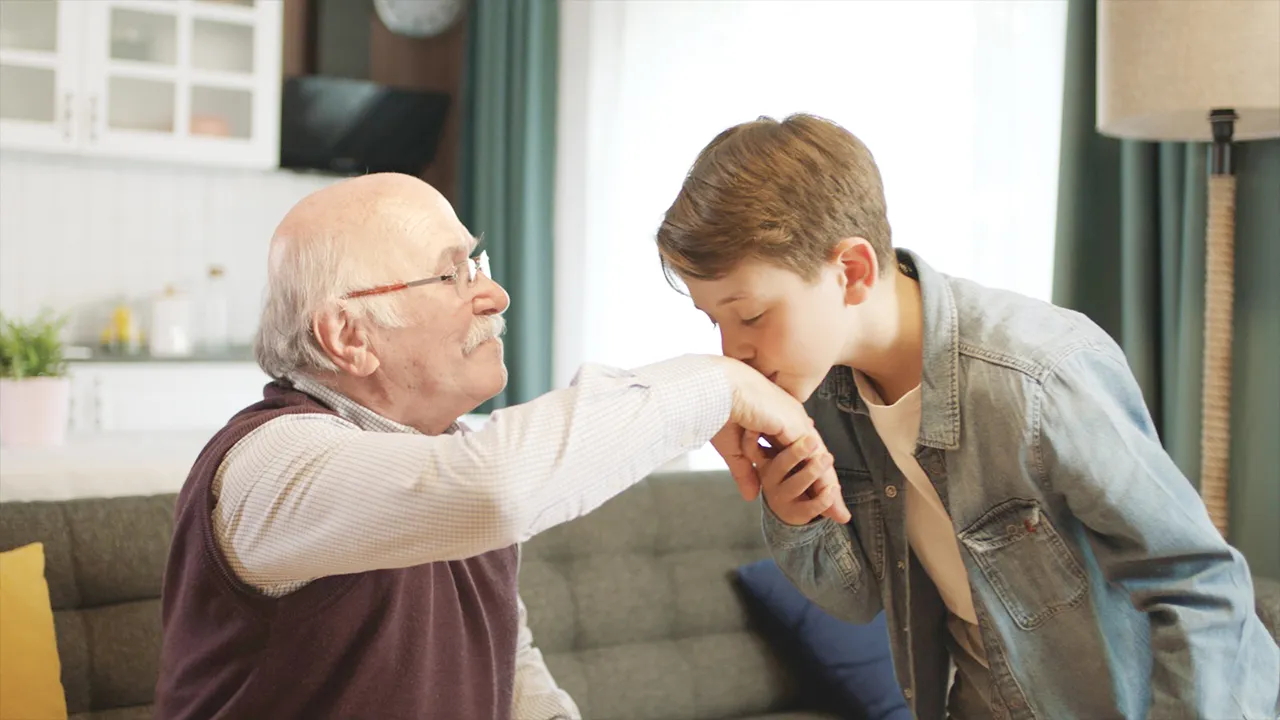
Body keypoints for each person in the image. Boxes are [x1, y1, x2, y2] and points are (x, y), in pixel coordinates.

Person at [153, 172, 850, 720]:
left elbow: (503, 661)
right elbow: (491, 488)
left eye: (478, 261)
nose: (497, 294)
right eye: (454, 272)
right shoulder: (268, 468)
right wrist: (715, 385)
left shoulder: (447, 450)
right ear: (348, 337)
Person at [655, 113, 1279, 719]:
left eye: (752, 315)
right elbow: (857, 600)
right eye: (716, 321)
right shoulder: (819, 393)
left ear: (851, 271)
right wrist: (796, 519)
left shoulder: (1037, 377)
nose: (732, 351)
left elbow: (1199, 586)